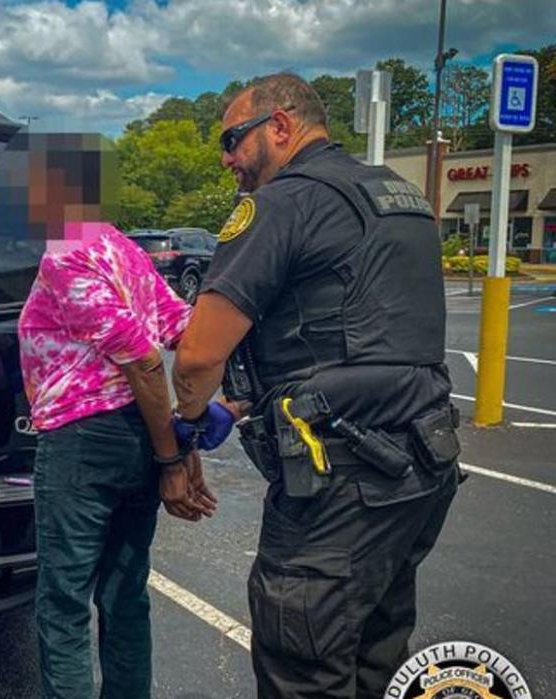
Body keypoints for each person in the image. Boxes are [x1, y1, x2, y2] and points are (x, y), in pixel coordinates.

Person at [172, 73, 460, 699]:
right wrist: (245, 401)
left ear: (280, 125)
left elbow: (196, 356)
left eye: (232, 139)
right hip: (419, 465)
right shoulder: (398, 194)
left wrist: (187, 424)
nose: (227, 159)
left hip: (339, 482)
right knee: (374, 657)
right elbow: (358, 330)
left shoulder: (284, 202)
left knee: (301, 661)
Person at [16, 133, 217, 699]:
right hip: (134, 436)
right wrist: (178, 436)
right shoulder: (124, 249)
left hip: (83, 441)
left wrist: (175, 456)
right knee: (126, 593)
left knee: (64, 602)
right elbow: (185, 328)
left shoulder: (65, 253)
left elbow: (147, 359)